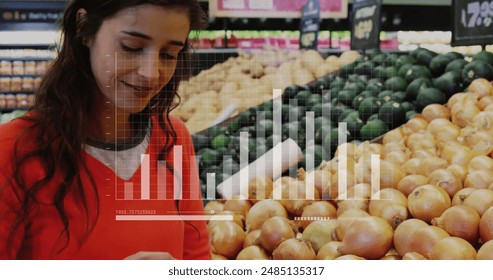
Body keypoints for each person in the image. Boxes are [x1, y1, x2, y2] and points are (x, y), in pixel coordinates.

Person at [0, 0, 211, 260]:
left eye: (168, 54)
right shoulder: (13, 149)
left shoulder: (174, 139)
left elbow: (197, 259)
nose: (150, 73)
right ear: (84, 28)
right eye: (131, 47)